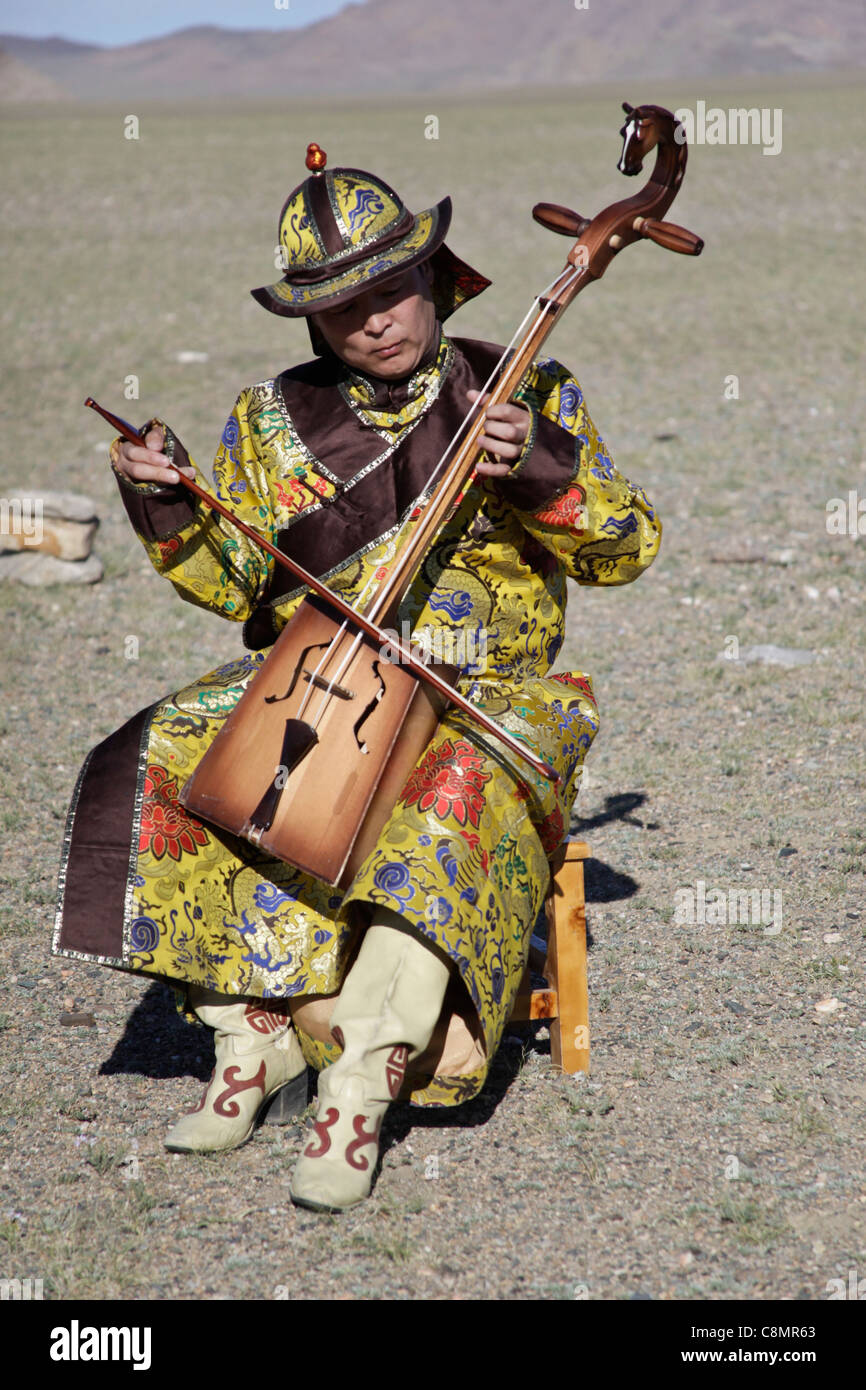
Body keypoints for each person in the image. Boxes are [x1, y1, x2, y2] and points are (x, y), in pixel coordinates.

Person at [53, 147, 661, 1211]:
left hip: (491, 691)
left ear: (431, 278)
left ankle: (361, 1074)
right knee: (170, 750)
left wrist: (539, 469)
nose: (373, 323)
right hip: (326, 681)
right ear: (310, 323)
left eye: (388, 294)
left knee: (453, 791)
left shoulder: (521, 385)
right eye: (342, 312)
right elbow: (233, 578)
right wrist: (167, 500)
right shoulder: (270, 419)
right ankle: (248, 1040)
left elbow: (625, 549)